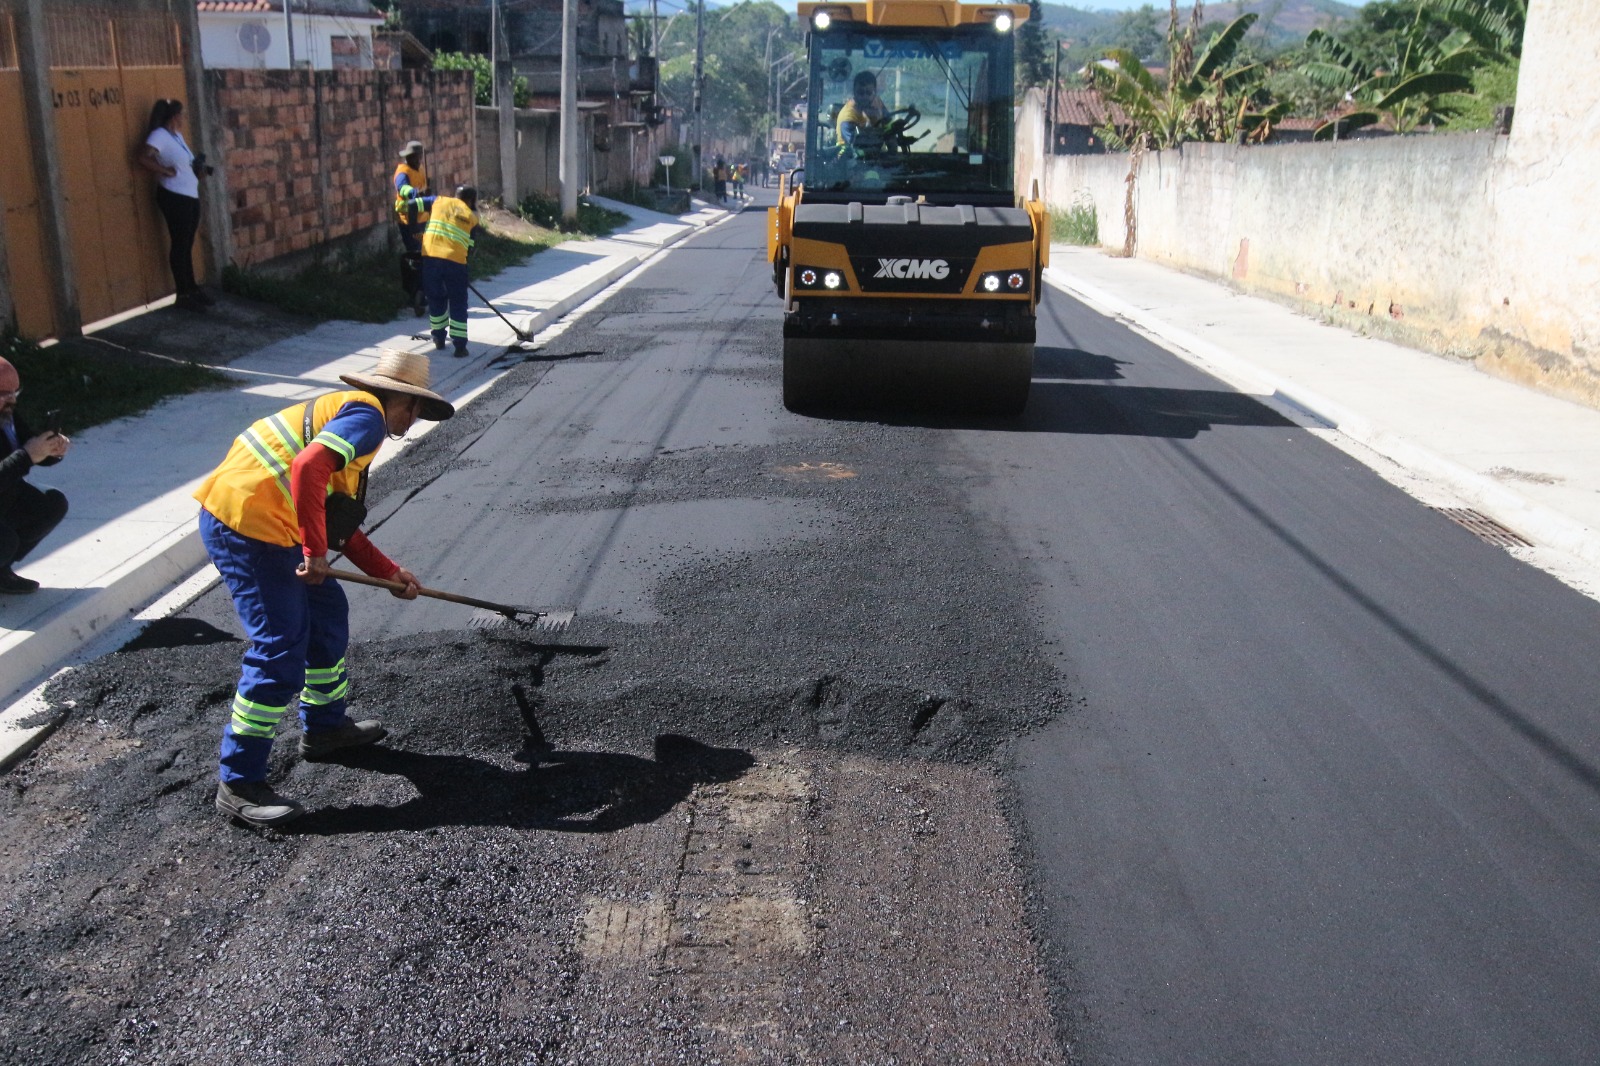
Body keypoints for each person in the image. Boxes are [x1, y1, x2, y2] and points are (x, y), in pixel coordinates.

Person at [194, 348, 455, 828]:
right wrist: (314, 553)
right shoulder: (368, 419)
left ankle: (324, 728)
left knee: (327, 614)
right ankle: (239, 782)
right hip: (247, 527)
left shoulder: (345, 417)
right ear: (407, 402)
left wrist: (388, 573)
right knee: (279, 648)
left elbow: (336, 522)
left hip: (274, 527)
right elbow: (307, 469)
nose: (414, 421)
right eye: (416, 411)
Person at [0, 357, 69, 595]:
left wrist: (50, 450)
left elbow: (27, 445)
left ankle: (2, 572)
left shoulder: (6, 415)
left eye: (14, 392)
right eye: (4, 394)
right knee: (5, 540)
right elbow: (24, 455)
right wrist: (28, 455)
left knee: (51, 504)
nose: (12, 400)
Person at [137, 98, 211, 312]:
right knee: (180, 244)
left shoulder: (177, 136)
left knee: (187, 243)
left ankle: (192, 287)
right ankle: (183, 293)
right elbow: (143, 158)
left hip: (189, 195)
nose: (184, 118)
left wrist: (199, 170)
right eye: (182, 114)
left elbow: (184, 163)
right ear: (174, 116)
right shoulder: (159, 135)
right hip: (174, 196)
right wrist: (164, 171)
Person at [399, 185, 480, 358]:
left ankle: (438, 338)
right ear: (471, 200)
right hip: (456, 263)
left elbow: (411, 204)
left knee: (435, 298)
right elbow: (470, 248)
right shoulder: (472, 217)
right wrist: (463, 269)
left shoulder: (438, 201)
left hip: (431, 258)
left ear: (456, 195)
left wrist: (415, 231)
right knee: (458, 302)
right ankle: (460, 347)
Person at [392, 140, 430, 316]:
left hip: (422, 219)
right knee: (416, 255)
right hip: (409, 221)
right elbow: (402, 188)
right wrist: (413, 193)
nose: (415, 160)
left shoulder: (420, 169)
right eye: (412, 157)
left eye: (417, 157)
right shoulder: (402, 172)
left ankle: (420, 291)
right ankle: (417, 293)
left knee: (423, 255)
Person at [837, 70, 888, 150]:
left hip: (879, 154)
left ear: (875, 92)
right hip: (849, 154)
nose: (865, 96)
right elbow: (857, 144)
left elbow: (889, 124)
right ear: (854, 92)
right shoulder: (847, 116)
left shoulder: (877, 103)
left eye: (869, 92)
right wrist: (870, 123)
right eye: (860, 93)